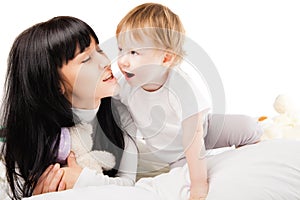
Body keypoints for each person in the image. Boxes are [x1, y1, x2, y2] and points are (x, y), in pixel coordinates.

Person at [115, 3, 263, 200]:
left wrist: (200, 186)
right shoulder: (123, 85)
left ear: (166, 58)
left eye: (134, 52)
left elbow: (194, 139)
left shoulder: (182, 87)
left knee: (247, 125)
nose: (123, 60)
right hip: (175, 155)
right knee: (180, 181)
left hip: (203, 130)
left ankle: (255, 152)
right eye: (121, 49)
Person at [0, 16, 137, 199]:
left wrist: (83, 180)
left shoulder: (122, 114)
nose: (105, 62)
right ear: (56, 84)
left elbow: (130, 186)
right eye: (86, 59)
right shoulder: (22, 128)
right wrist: (34, 192)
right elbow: (10, 187)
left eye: (99, 49)